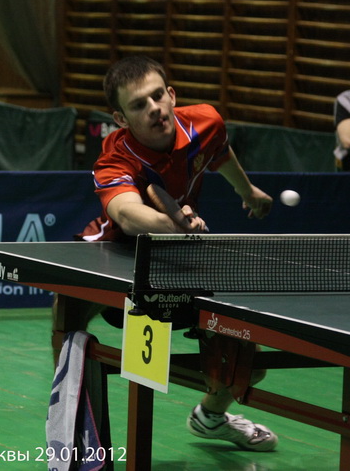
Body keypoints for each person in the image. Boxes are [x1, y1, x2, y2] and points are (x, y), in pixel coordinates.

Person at [71, 55, 277, 451]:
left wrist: (247, 191)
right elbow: (126, 214)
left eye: (156, 96)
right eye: (138, 105)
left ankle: (210, 417)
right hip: (117, 254)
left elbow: (219, 153)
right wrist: (174, 225)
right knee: (66, 309)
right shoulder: (115, 157)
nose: (153, 108)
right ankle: (72, 418)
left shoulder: (205, 122)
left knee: (249, 363)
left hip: (180, 258)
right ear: (121, 118)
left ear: (171, 94)